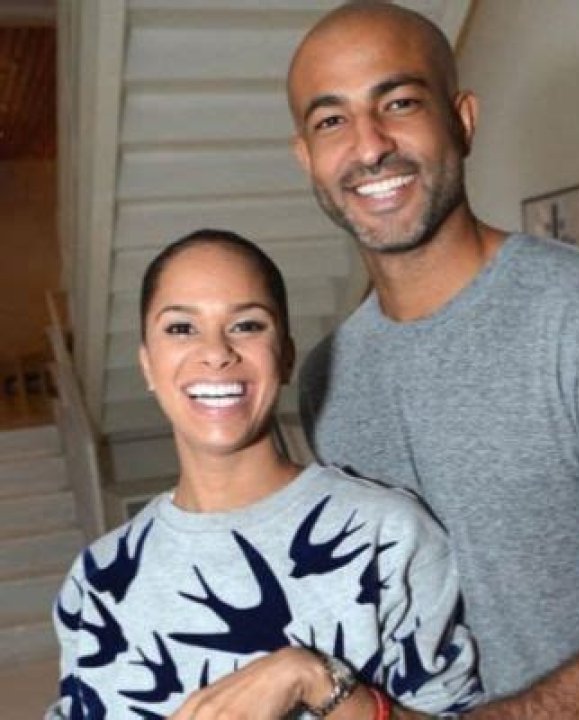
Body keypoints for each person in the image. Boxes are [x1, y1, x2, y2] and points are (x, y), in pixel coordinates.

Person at [289, 2, 579, 719]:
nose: (369, 146)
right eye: (331, 120)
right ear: (306, 157)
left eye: (399, 103)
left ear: (462, 120)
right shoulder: (324, 378)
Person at [45, 229, 483, 719]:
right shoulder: (98, 579)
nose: (216, 352)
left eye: (247, 325)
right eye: (181, 328)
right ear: (147, 364)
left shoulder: (389, 534)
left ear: (286, 357)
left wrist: (312, 678)